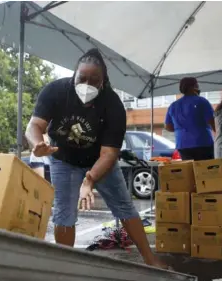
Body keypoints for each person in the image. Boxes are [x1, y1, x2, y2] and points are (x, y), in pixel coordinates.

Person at [25, 48, 167, 269]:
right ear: (74, 75)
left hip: (100, 161)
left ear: (103, 82)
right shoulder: (55, 91)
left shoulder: (113, 105)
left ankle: (151, 259)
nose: (87, 85)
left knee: (124, 206)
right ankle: (65, 266)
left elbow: (109, 154)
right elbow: (34, 126)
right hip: (63, 160)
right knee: (64, 211)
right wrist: (37, 145)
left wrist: (89, 180)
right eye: (82, 78)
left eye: (95, 80)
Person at [164, 77, 215, 161]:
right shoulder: (202, 101)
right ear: (193, 86)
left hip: (183, 144)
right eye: (197, 85)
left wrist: (181, 128)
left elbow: (168, 126)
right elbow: (212, 121)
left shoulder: (173, 105)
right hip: (202, 142)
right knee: (205, 171)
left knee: (189, 170)